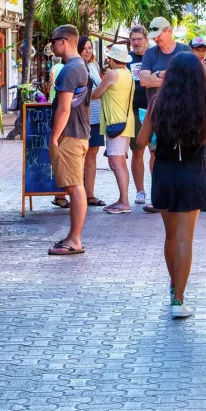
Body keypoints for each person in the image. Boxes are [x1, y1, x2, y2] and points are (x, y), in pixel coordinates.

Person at [136, 52, 206, 319]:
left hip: (165, 169)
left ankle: (174, 289)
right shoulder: (204, 102)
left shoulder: (159, 103)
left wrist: (159, 142)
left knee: (170, 236)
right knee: (185, 238)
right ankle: (179, 299)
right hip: (192, 170)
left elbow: (141, 140)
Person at [47, 25, 91, 256]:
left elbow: (64, 109)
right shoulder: (78, 67)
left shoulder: (70, 70)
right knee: (76, 187)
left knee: (74, 188)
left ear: (64, 42)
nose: (51, 45)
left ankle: (75, 239)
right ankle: (73, 237)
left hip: (70, 136)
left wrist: (54, 137)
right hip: (78, 134)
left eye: (53, 41)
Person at [139, 18, 190, 213]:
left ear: (169, 31)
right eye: (153, 36)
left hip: (182, 113)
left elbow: (187, 79)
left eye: (159, 34)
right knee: (155, 154)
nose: (156, 39)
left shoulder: (184, 51)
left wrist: (157, 74)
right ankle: (158, 196)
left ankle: (180, 196)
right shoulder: (150, 53)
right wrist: (170, 76)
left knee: (183, 154)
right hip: (156, 114)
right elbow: (144, 80)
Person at [92, 45, 135, 214]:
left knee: (116, 163)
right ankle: (122, 199)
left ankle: (124, 202)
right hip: (124, 122)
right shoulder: (128, 74)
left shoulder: (112, 74)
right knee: (121, 163)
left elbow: (96, 93)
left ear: (111, 60)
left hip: (115, 123)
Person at [69, 36, 106, 209]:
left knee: (92, 156)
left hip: (96, 117)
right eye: (84, 48)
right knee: (78, 157)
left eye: (90, 47)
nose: (88, 51)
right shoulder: (75, 67)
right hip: (80, 118)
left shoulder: (93, 66)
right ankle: (77, 194)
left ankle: (89, 193)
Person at [128, 25, 150, 206]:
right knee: (137, 151)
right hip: (135, 110)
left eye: (139, 39)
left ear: (146, 40)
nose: (136, 42)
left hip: (155, 109)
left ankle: (157, 189)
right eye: (133, 39)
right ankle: (140, 191)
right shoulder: (126, 59)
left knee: (156, 151)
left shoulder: (153, 56)